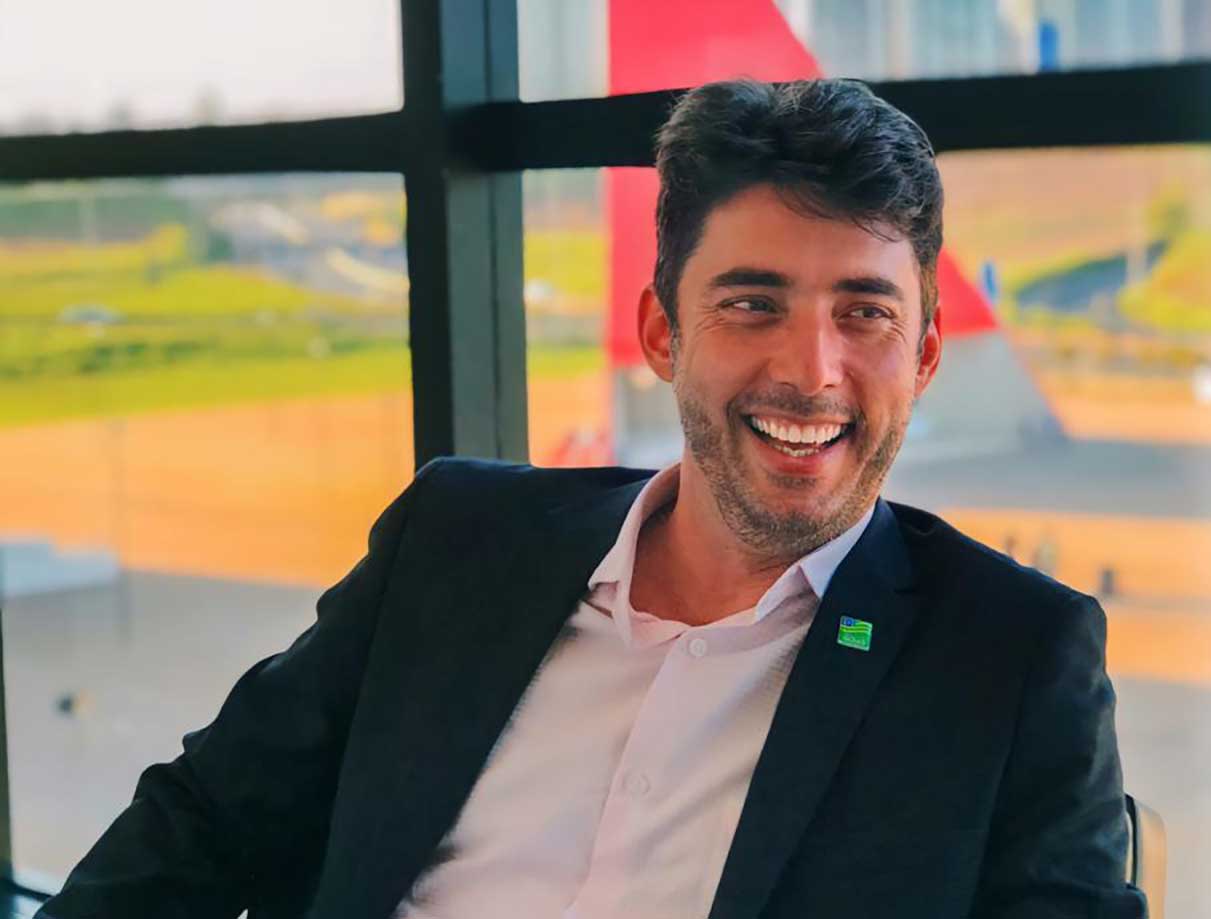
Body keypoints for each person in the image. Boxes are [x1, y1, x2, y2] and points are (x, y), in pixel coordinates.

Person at [38, 79, 1146, 919]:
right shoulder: (455, 541)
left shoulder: (1010, 659)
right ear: (661, 332)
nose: (813, 371)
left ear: (925, 354)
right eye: (751, 304)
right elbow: (202, 821)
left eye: (865, 313)